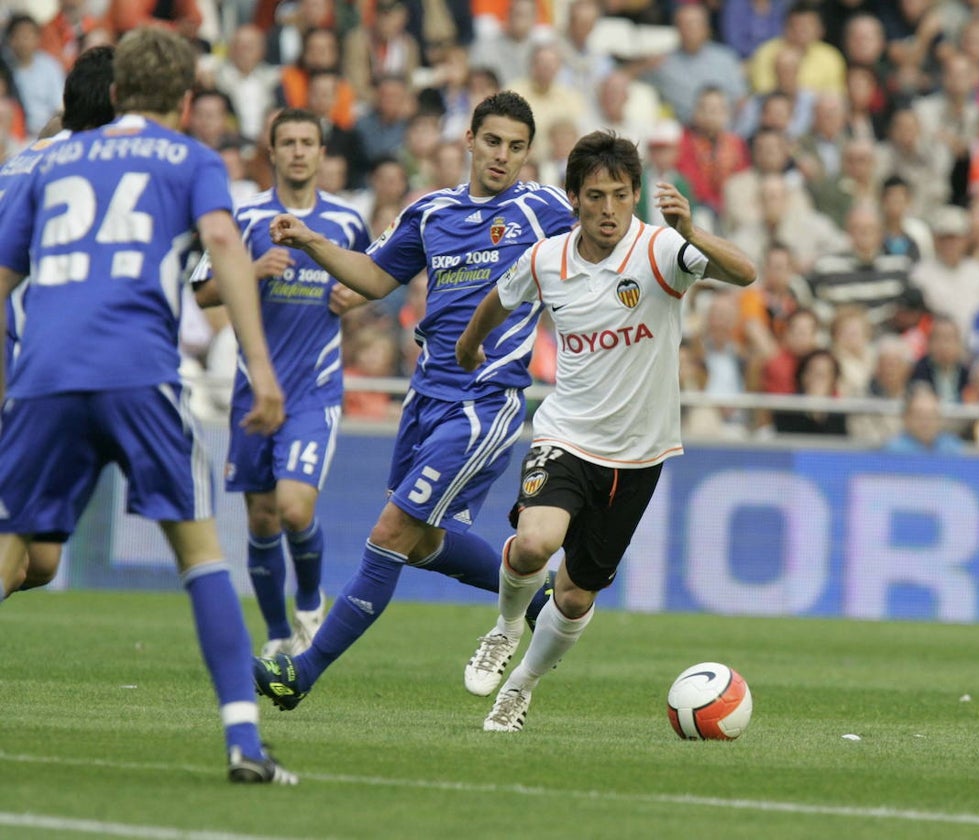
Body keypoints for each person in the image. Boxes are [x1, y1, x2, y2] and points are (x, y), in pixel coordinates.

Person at [0, 28, 293, 784]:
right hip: (136, 369)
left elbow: (4, 278)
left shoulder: (49, 159)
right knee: (200, 553)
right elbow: (224, 243)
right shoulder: (190, 158)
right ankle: (242, 741)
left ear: (115, 91)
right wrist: (261, 369)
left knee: (17, 552)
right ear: (187, 99)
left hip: (42, 376)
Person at [252, 92, 572, 711]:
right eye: (493, 141)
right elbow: (374, 278)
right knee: (423, 543)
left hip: (485, 402)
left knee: (393, 531)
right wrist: (313, 243)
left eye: (516, 146)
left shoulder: (542, 209)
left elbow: (603, 240)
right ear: (470, 140)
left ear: (527, 153)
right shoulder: (432, 212)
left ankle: (303, 673)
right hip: (426, 401)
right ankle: (541, 598)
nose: (502, 156)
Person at [454, 130, 757, 732]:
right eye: (595, 196)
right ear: (574, 199)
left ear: (636, 194)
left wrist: (692, 233)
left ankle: (521, 688)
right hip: (565, 436)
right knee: (535, 543)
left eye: (621, 195)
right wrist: (468, 347)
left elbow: (745, 274)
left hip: (639, 458)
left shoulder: (662, 251)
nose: (609, 209)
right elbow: (499, 298)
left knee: (573, 597)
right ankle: (505, 627)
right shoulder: (548, 260)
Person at [192, 108, 371, 658]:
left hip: (315, 389)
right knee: (263, 517)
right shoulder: (242, 219)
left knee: (296, 508)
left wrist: (356, 297)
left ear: (321, 153)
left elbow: (371, 278)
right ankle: (275, 635)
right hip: (253, 386)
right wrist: (247, 272)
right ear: (270, 153)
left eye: (307, 141)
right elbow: (201, 293)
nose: (297, 151)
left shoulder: (344, 222)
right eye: (287, 142)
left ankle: (311, 605)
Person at [0, 45, 115, 595]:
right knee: (15, 554)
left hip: (28, 364)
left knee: (39, 561)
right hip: (16, 370)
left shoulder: (34, 154)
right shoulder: (77, 171)